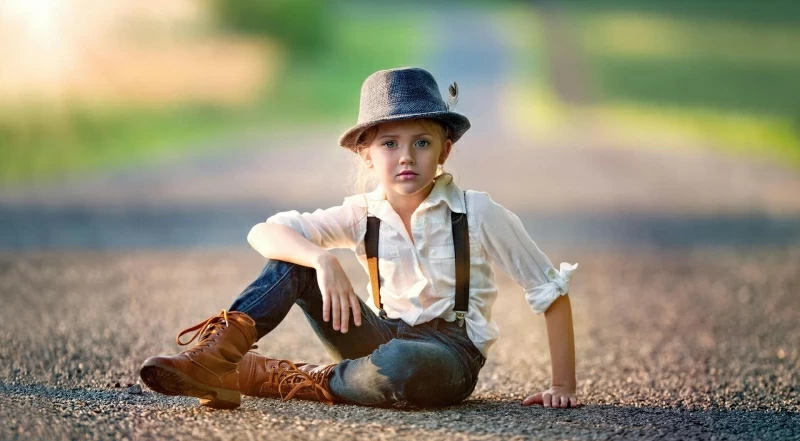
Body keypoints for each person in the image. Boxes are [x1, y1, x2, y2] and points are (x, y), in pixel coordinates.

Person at [139, 67, 579, 410]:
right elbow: (264, 232)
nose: (406, 156)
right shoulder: (362, 214)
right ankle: (214, 359)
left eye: (422, 143)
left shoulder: (477, 212)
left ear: (444, 149)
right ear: (366, 154)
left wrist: (562, 385)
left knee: (403, 364)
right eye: (389, 143)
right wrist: (322, 259)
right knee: (295, 260)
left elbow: (548, 289)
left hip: (448, 355)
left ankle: (278, 378)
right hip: (378, 335)